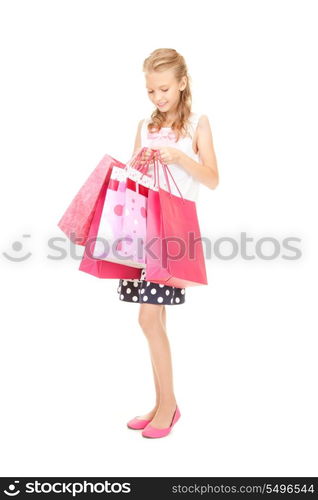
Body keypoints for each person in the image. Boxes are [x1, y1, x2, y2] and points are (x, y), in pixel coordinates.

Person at [117, 48, 219, 438]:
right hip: (143, 229)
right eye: (150, 91)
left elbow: (211, 178)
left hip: (173, 232)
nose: (158, 97)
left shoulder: (197, 124)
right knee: (154, 318)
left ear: (181, 83)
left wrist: (179, 157)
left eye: (164, 88)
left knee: (148, 318)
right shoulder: (144, 125)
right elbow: (132, 176)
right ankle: (162, 403)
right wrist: (136, 166)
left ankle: (170, 405)